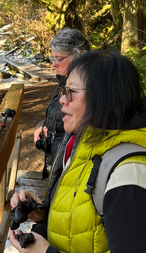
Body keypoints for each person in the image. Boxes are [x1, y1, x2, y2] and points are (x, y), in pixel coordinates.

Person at [9, 50, 146, 253]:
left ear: (104, 97)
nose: (61, 100)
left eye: (71, 92)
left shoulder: (131, 174)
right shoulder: (87, 147)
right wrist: (41, 213)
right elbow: (94, 228)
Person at [35, 28, 91, 179]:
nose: (53, 64)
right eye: (52, 58)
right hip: (56, 166)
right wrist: (41, 127)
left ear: (80, 55)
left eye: (58, 59)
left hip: (70, 172)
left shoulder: (87, 90)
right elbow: (57, 115)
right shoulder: (62, 83)